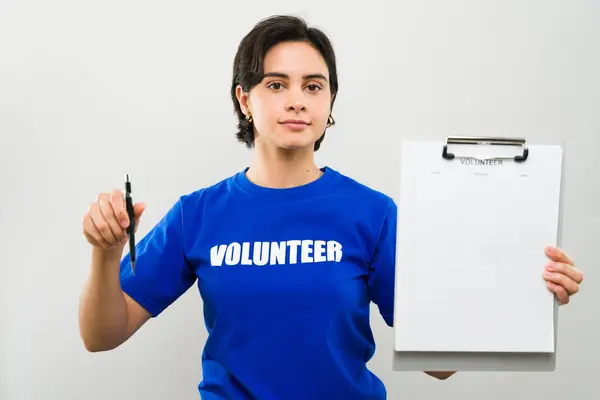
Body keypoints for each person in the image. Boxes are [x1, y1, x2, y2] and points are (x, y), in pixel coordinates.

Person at [78, 14, 584, 400]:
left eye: (313, 86)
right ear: (244, 99)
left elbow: (438, 362)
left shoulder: (372, 213)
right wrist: (105, 254)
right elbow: (102, 335)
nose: (297, 101)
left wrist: (520, 290)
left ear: (330, 103)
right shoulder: (198, 214)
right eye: (276, 85)